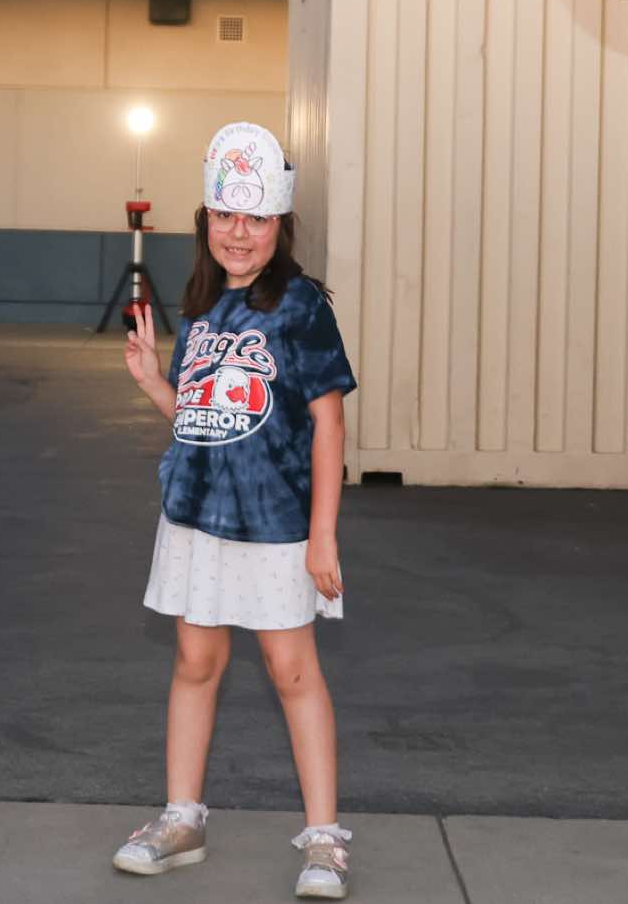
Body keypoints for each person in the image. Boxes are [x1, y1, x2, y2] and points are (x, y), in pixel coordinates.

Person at [111, 122, 358, 900]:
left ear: (279, 223)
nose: (239, 233)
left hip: (277, 523)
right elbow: (203, 415)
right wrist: (156, 383)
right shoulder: (202, 304)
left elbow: (328, 421)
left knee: (292, 670)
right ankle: (182, 818)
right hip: (197, 518)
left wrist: (323, 533)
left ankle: (325, 839)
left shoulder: (301, 305)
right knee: (195, 663)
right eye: (225, 215)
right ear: (206, 219)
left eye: (255, 218)